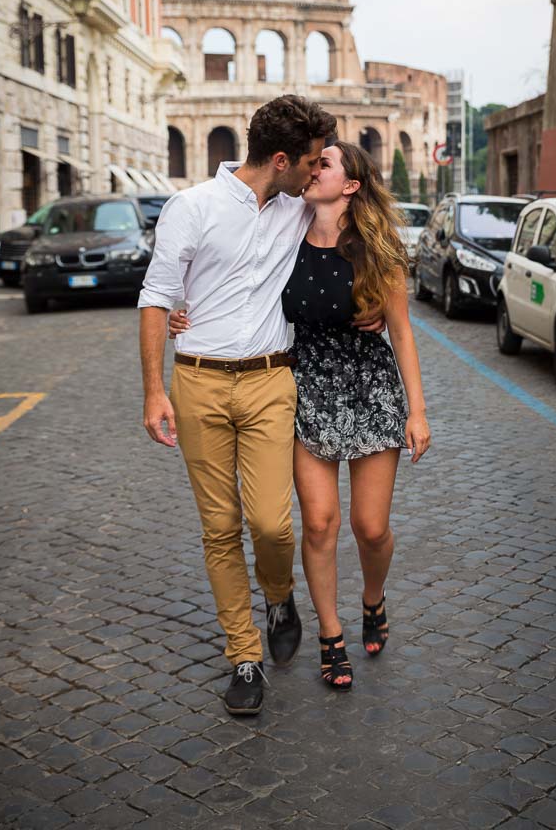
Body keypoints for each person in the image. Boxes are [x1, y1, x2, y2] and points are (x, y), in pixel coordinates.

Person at [139, 96, 381, 716]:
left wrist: (372, 297)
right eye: (308, 162)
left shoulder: (298, 207)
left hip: (274, 380)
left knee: (273, 524)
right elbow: (157, 297)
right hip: (199, 383)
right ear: (281, 160)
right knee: (220, 528)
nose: (314, 172)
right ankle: (243, 656)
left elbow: (355, 226)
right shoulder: (190, 208)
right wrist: (154, 389)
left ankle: (279, 595)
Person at [171, 141, 430, 692]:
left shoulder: (377, 248)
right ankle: (330, 637)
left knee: (371, 526)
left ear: (352, 185)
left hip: (369, 388)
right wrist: (181, 312)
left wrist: (418, 411)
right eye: (313, 162)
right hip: (304, 386)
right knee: (317, 523)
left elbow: (404, 332)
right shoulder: (286, 231)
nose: (315, 171)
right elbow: (229, 275)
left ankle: (373, 596)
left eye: (326, 165)